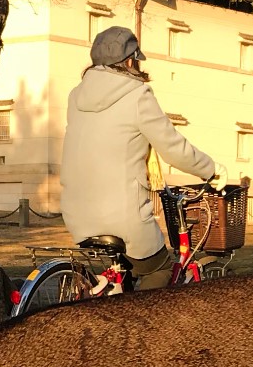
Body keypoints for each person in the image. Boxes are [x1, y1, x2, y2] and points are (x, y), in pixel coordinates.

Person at [60, 25, 219, 287]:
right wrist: (211, 170)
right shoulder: (137, 95)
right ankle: (141, 327)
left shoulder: (76, 95)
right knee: (158, 270)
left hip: (76, 213)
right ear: (131, 59)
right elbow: (174, 149)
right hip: (122, 216)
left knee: (123, 275)